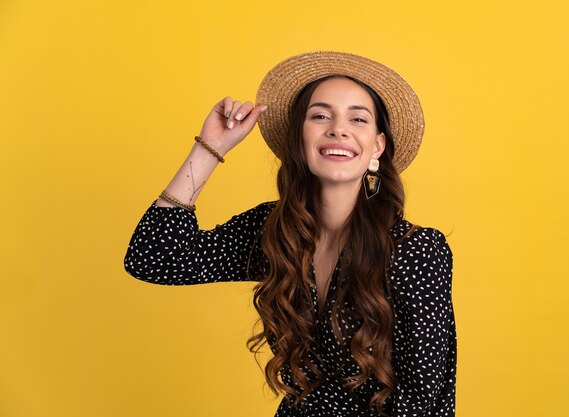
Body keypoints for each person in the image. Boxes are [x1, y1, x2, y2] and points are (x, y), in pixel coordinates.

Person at [124, 51, 456, 417]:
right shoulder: (278, 231)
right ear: (299, 138)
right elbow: (154, 258)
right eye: (320, 116)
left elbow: (421, 402)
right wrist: (210, 149)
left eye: (358, 118)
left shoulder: (415, 250)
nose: (338, 129)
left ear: (377, 146)